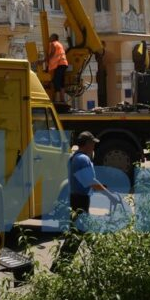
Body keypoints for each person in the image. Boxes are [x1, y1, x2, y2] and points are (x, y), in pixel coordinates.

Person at [51, 131, 121, 271]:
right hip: (80, 200)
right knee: (77, 234)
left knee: (83, 233)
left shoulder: (75, 157)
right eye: (93, 143)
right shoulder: (82, 159)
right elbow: (90, 181)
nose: (94, 145)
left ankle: (100, 262)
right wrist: (110, 196)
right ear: (88, 143)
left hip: (76, 198)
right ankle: (60, 267)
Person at [46, 33, 69, 106]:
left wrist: (44, 60)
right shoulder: (60, 44)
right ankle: (62, 99)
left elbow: (52, 53)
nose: (49, 38)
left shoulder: (53, 43)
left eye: (51, 37)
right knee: (61, 82)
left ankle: (56, 99)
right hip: (64, 64)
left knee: (56, 81)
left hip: (59, 64)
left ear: (54, 38)